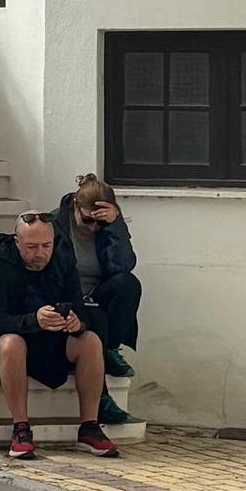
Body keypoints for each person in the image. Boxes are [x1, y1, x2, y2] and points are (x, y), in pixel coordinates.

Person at [0, 208, 118, 460]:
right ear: (17, 242)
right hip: (17, 340)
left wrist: (75, 322)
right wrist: (33, 320)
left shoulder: (62, 255)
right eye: (31, 246)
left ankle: (90, 427)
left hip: (55, 341)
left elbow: (80, 309)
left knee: (90, 340)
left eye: (45, 245)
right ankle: (21, 428)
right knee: (10, 343)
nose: (40, 253)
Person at [66, 174, 142, 428]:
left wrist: (115, 227)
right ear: (76, 205)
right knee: (93, 316)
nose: (92, 228)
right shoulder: (57, 224)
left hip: (97, 298)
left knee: (128, 284)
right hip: (68, 299)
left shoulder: (107, 228)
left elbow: (123, 267)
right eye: (87, 220)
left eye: (100, 223)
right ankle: (102, 401)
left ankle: (110, 349)